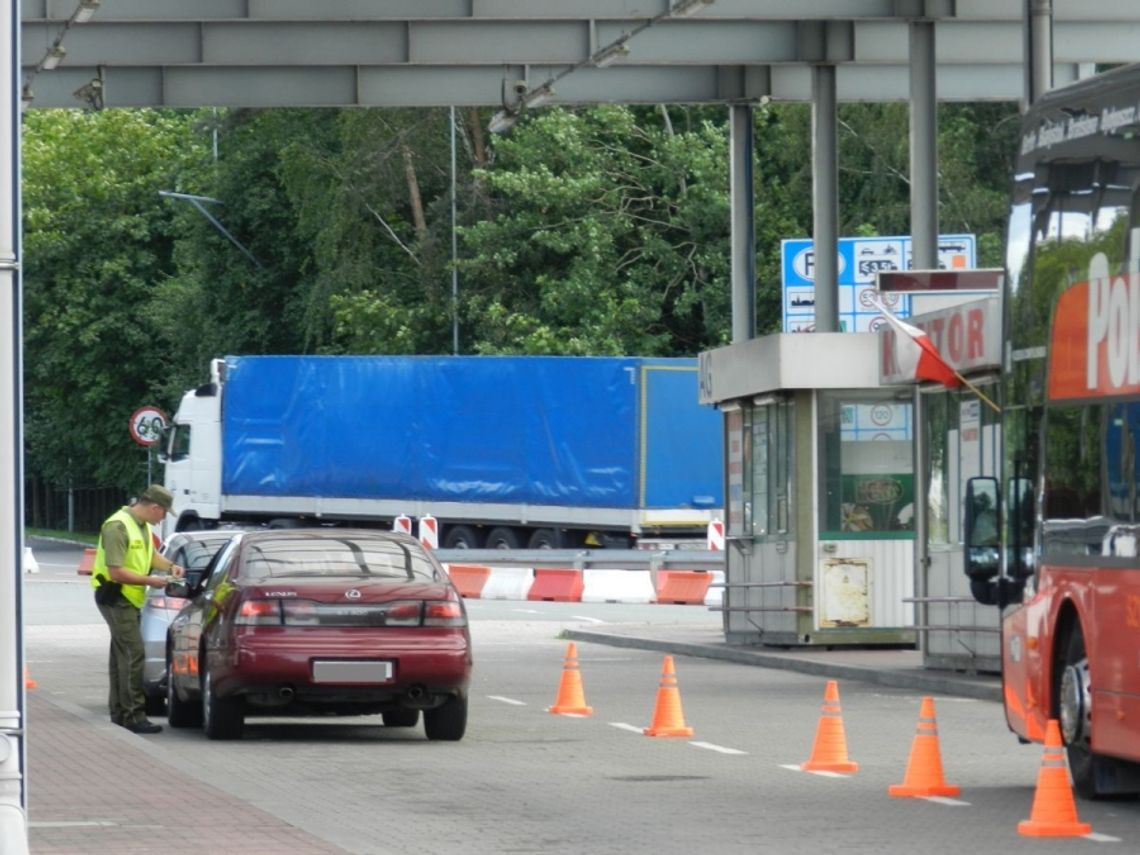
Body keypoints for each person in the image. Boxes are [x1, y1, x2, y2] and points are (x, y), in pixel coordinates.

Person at [90, 484, 185, 734]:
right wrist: (153, 581)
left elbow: (150, 556)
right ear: (154, 508)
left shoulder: (140, 526)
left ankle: (120, 713)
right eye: (164, 513)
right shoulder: (117, 526)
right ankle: (134, 716)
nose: (163, 518)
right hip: (116, 597)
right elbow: (116, 571)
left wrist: (170, 566)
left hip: (129, 599)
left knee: (121, 655)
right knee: (133, 654)